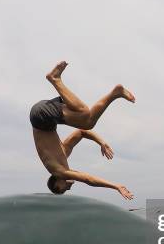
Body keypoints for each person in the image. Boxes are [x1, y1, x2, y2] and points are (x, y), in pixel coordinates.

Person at [30, 61, 135, 200]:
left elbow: (87, 179)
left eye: (63, 190)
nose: (69, 188)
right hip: (42, 113)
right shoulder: (62, 154)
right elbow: (81, 132)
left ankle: (55, 79)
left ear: (58, 182)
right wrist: (101, 142)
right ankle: (116, 92)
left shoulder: (59, 171)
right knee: (86, 118)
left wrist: (116, 186)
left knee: (87, 118)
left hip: (42, 117)